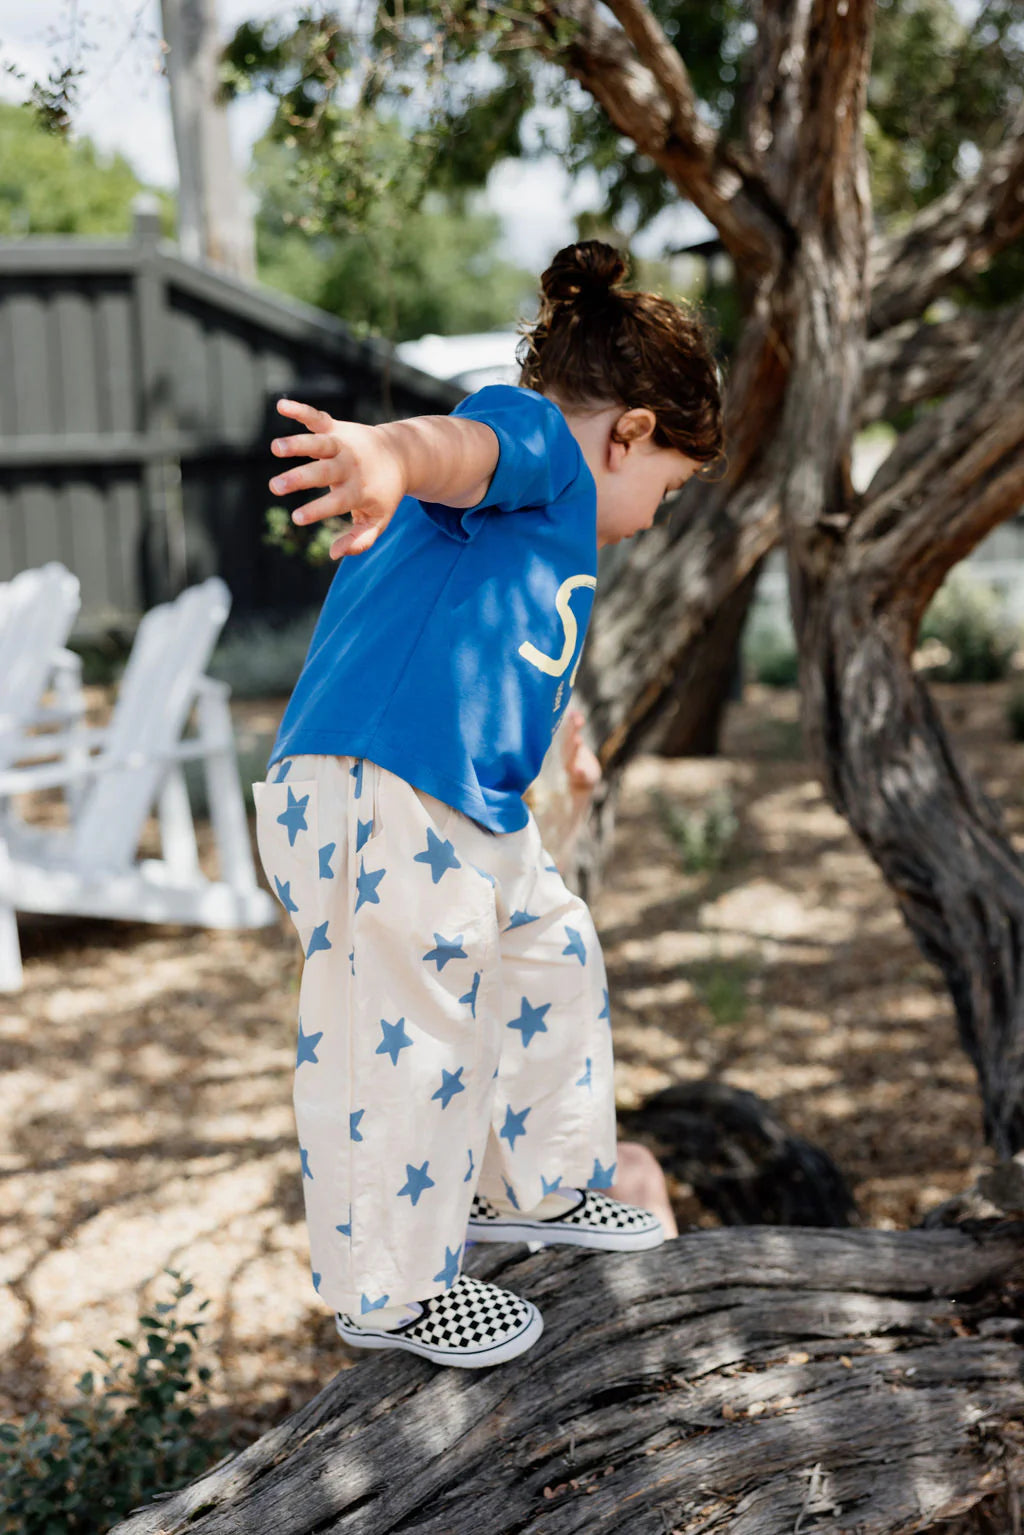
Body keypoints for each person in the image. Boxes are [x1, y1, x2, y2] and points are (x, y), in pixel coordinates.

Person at [253, 240, 724, 1369]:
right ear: (633, 434)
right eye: (667, 488)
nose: (657, 515)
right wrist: (387, 454)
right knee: (401, 1029)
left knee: (550, 952)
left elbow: (487, 629)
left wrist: (544, 720)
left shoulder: (549, 517)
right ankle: (391, 1287)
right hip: (380, 788)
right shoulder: (541, 444)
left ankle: (543, 1181)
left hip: (462, 798)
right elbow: (459, 446)